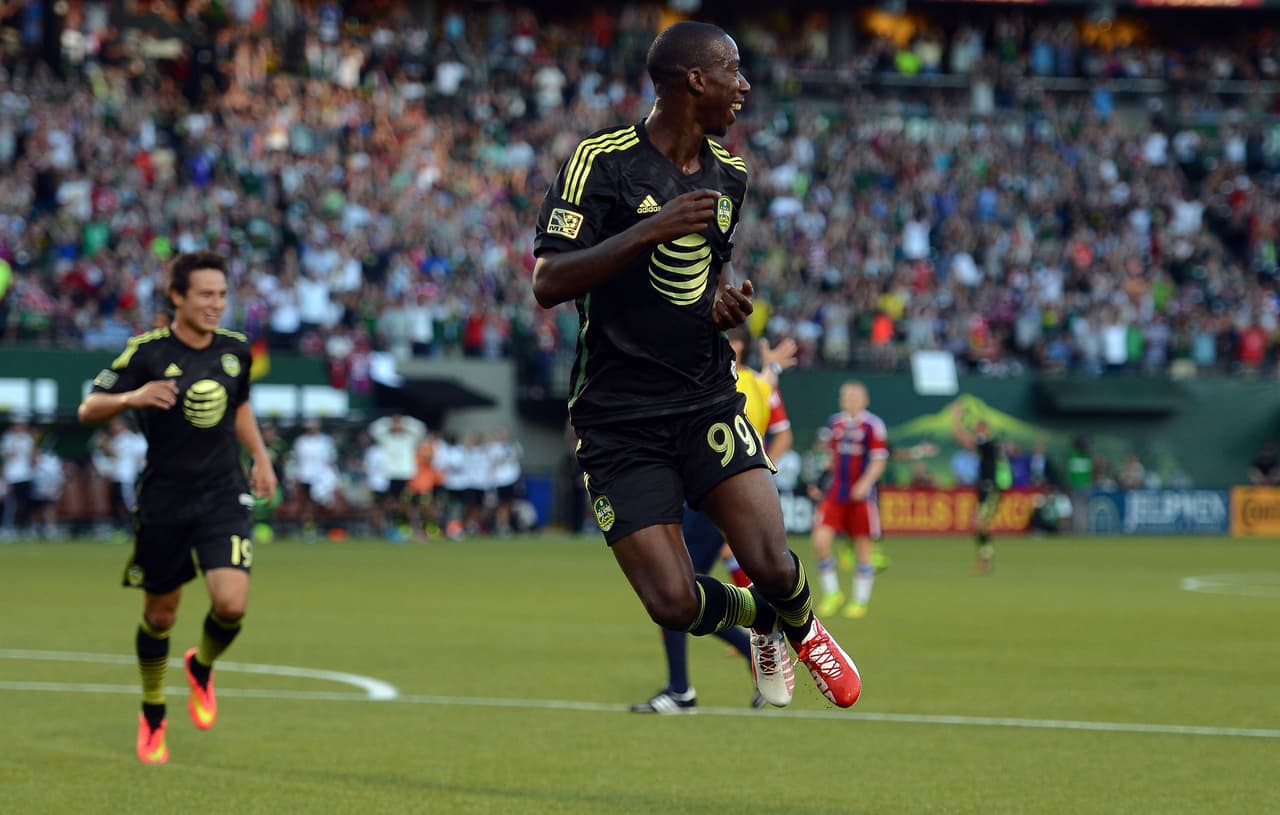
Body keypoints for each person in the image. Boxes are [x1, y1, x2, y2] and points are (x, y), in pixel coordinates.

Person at [533, 21, 860, 710]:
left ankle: (798, 622)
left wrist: (720, 304)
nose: (745, 85)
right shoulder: (602, 161)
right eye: (733, 70)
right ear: (694, 82)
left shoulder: (730, 174)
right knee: (673, 601)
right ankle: (761, 619)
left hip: (703, 397)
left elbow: (701, 275)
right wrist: (648, 226)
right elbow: (548, 281)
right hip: (618, 416)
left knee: (772, 559)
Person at [77, 250, 278, 765]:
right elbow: (88, 408)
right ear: (177, 297)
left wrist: (259, 456)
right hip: (165, 499)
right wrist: (133, 397)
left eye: (222, 295)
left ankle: (202, 666)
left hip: (222, 493)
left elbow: (240, 406)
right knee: (160, 615)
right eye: (206, 295)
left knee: (231, 603)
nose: (217, 305)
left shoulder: (235, 350)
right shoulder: (146, 352)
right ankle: (152, 711)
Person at [630, 327, 794, 713]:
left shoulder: (719, 378)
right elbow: (769, 400)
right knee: (680, 594)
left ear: (733, 345)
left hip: (709, 495)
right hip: (715, 495)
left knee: (677, 591)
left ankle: (683, 688)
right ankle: (701, 679)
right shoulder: (755, 382)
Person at [810, 382, 889, 620]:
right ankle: (833, 593)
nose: (849, 399)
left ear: (865, 399)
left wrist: (865, 483)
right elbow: (830, 457)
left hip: (861, 497)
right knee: (820, 541)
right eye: (845, 395)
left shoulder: (873, 425)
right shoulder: (835, 423)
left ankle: (859, 600)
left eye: (854, 396)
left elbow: (878, 460)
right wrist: (821, 478)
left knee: (863, 548)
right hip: (836, 493)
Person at [952, 403, 1007, 574]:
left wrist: (957, 418)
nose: (977, 431)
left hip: (990, 489)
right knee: (978, 524)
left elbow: (962, 439)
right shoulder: (987, 444)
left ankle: (986, 560)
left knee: (980, 522)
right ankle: (985, 559)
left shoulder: (988, 443)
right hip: (984, 487)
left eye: (979, 428)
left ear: (985, 429)